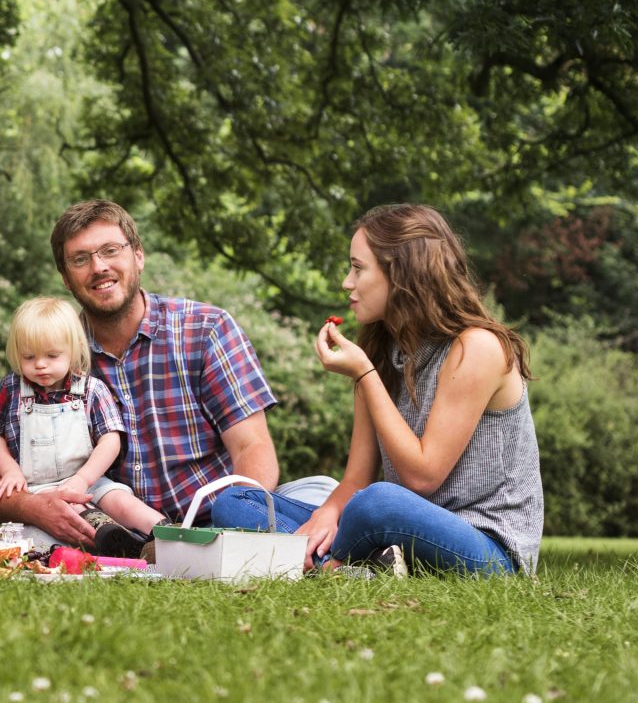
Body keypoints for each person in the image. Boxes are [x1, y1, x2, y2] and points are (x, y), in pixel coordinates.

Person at [0, 200, 321, 544]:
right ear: (65, 277)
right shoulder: (53, 355)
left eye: (110, 250)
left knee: (322, 492)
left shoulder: (206, 329)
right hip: (115, 531)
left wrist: (235, 535)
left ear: (138, 255)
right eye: (80, 259)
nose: (98, 267)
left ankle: (308, 544)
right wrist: (34, 507)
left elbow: (252, 448)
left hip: (215, 520)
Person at [218, 203, 542, 574]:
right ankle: (356, 565)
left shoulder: (477, 348)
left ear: (403, 274)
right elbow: (355, 478)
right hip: (400, 534)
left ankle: (325, 562)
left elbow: (422, 477)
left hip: (486, 547)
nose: (347, 282)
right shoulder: (382, 351)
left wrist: (365, 376)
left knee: (377, 503)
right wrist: (326, 514)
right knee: (235, 500)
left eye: (358, 268)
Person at [0, 296, 164, 545]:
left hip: (88, 479)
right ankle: (118, 544)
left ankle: (165, 531)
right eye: (29, 357)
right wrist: (9, 470)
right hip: (40, 489)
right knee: (69, 514)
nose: (40, 365)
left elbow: (111, 440)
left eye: (52, 355)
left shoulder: (91, 389)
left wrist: (82, 480)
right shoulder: (11, 389)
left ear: (73, 349)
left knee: (120, 500)